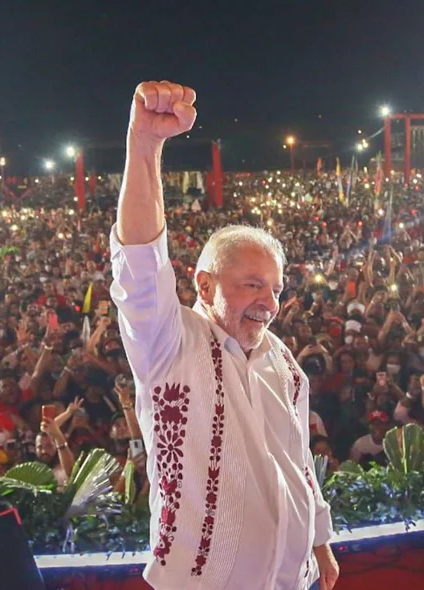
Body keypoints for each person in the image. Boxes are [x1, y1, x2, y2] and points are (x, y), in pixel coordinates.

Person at [110, 80, 337, 590]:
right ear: (205, 284)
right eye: (252, 285)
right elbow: (140, 266)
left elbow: (296, 457)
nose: (269, 303)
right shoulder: (170, 343)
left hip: (292, 579)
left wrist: (319, 540)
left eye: (276, 288)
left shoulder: (284, 364)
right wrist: (144, 146)